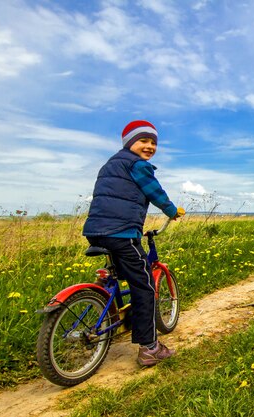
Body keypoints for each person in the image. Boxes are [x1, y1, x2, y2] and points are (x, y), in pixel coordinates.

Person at [83, 120, 184, 366]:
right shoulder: (138, 165)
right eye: (143, 141)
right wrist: (172, 210)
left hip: (96, 231)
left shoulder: (111, 164)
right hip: (121, 233)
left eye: (153, 143)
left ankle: (111, 308)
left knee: (117, 273)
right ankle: (150, 348)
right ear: (130, 143)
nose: (149, 146)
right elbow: (154, 191)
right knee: (145, 285)